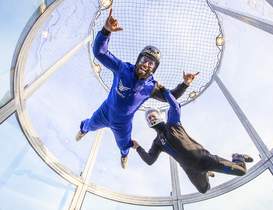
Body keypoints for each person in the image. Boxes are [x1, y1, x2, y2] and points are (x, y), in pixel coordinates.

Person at [76, 8, 198, 169]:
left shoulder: (152, 87)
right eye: (144, 59)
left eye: (151, 63)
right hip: (104, 112)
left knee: (124, 144)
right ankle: (83, 129)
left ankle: (124, 155)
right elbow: (99, 52)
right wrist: (106, 31)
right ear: (138, 59)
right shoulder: (122, 68)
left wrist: (185, 84)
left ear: (154, 69)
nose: (146, 64)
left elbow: (172, 96)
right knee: (89, 124)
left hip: (123, 124)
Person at [132, 88, 253, 193]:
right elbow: (149, 160)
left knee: (241, 171)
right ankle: (206, 173)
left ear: (159, 116)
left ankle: (238, 156)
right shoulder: (157, 142)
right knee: (204, 190)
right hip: (191, 170)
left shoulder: (172, 124)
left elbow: (175, 106)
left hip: (204, 158)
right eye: (149, 118)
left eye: (153, 116)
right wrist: (137, 147)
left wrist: (165, 91)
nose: (151, 118)